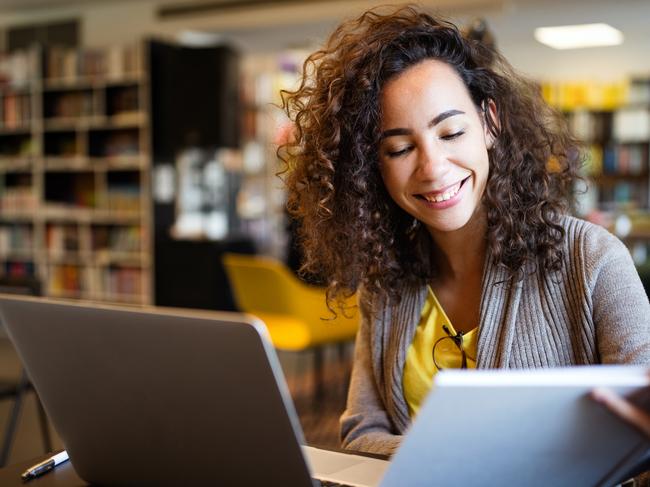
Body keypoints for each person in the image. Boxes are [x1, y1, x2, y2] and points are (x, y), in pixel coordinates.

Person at [279, 3, 650, 460]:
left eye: (451, 132)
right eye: (399, 148)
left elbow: (640, 437)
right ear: (371, 166)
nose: (432, 168)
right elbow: (360, 431)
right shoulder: (387, 281)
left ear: (489, 123)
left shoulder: (592, 259)